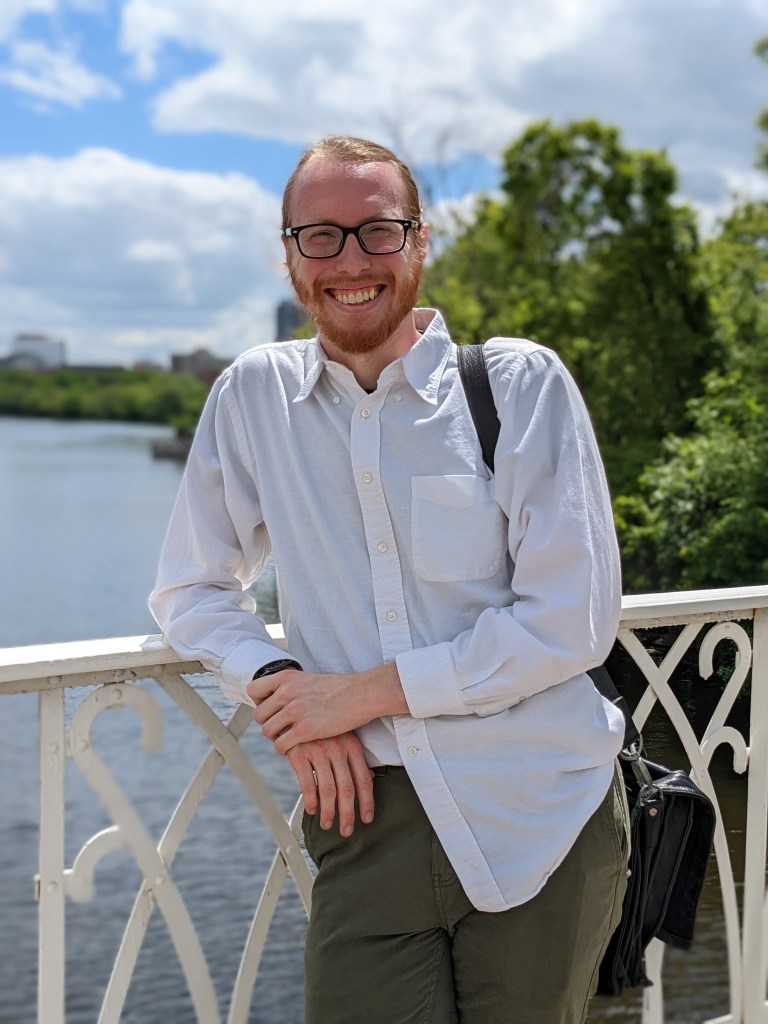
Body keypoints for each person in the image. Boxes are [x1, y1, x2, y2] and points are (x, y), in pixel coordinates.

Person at [150, 135, 630, 1024]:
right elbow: (191, 591)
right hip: (363, 814)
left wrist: (357, 697)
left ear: (420, 240)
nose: (350, 261)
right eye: (320, 236)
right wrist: (282, 691)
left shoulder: (517, 386)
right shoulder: (253, 397)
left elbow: (572, 620)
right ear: (289, 253)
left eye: (378, 230)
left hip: (542, 808)